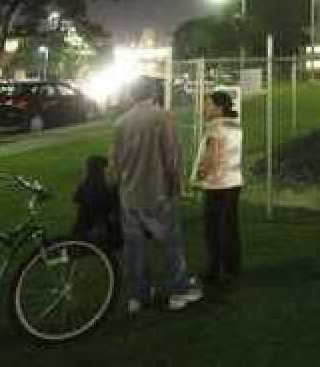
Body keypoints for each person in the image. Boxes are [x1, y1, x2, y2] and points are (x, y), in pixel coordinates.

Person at [110, 77, 201, 312]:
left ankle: (138, 295)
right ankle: (179, 291)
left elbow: (115, 162)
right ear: (154, 93)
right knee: (171, 242)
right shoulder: (162, 117)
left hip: (129, 193)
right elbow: (171, 156)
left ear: (132, 94)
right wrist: (177, 183)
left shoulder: (121, 122)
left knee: (134, 247)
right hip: (157, 191)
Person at [193, 90, 242, 285]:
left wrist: (199, 175)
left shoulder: (214, 127)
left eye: (208, 104)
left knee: (212, 229)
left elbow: (212, 155)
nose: (205, 108)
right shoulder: (236, 125)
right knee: (229, 228)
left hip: (217, 184)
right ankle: (231, 268)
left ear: (219, 107)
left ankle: (213, 269)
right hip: (234, 181)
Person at [71, 155, 122, 251]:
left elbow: (75, 209)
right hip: (104, 232)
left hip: (83, 231)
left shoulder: (83, 187)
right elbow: (115, 214)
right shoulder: (110, 189)